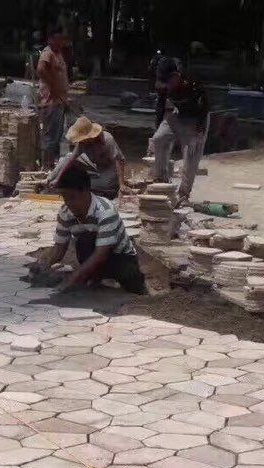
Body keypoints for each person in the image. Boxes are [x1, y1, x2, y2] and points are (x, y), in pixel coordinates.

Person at [36, 164, 146, 294]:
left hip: (121, 258)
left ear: (86, 191)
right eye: (65, 198)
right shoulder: (65, 213)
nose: (69, 203)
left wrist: (72, 279)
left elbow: (101, 255)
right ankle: (95, 281)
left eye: (72, 197)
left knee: (131, 287)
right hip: (94, 257)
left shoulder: (105, 211)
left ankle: (136, 289)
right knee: (84, 241)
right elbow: (59, 249)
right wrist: (44, 268)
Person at [151, 69, 209, 204]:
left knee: (191, 154)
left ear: (176, 77)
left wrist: (198, 132)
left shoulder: (193, 84)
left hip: (196, 118)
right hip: (177, 114)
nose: (168, 86)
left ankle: (184, 194)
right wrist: (158, 126)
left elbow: (204, 106)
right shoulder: (164, 86)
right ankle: (161, 181)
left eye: (170, 83)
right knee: (158, 138)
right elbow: (160, 106)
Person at [47, 116, 128, 199]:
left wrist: (121, 184)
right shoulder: (82, 143)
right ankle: (49, 181)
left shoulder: (107, 139)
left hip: (109, 169)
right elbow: (71, 160)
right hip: (95, 165)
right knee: (68, 156)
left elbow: (119, 161)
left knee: (104, 186)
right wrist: (58, 178)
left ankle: (92, 184)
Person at [36, 28, 69, 168]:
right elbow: (40, 69)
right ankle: (46, 165)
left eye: (61, 40)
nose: (60, 42)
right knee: (50, 136)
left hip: (60, 101)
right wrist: (53, 86)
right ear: (50, 40)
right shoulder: (47, 53)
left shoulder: (58, 54)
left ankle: (52, 163)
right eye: (57, 39)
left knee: (59, 135)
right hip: (50, 102)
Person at [150, 48, 181, 129]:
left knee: (162, 106)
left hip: (162, 85)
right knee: (163, 106)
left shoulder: (163, 61)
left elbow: (152, 69)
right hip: (165, 85)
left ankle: (160, 124)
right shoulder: (168, 61)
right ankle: (161, 125)